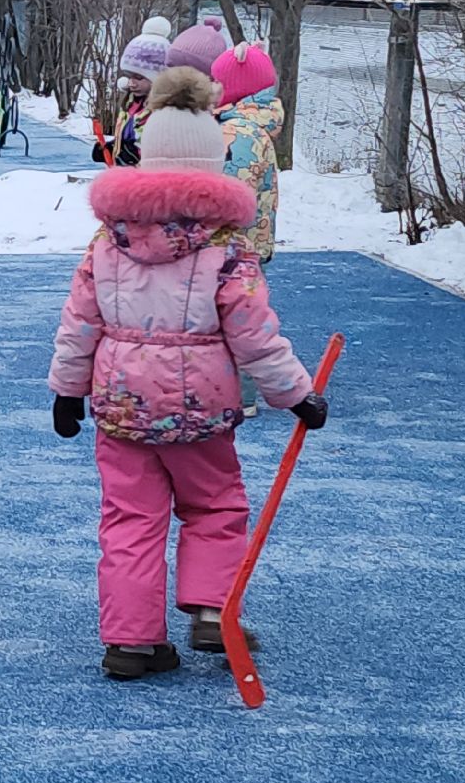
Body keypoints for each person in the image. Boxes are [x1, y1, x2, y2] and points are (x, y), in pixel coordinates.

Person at [46, 66, 327, 681]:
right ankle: (209, 609)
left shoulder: (105, 243)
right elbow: (254, 336)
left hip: (121, 407)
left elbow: (79, 324)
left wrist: (68, 390)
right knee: (215, 507)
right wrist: (296, 395)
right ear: (213, 165)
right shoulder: (226, 250)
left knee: (129, 519)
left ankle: (131, 641)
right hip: (198, 408)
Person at [211, 40, 285, 417]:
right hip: (249, 241)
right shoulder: (253, 127)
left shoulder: (236, 135)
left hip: (233, 244)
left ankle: (239, 395)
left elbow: (228, 194)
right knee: (243, 314)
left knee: (234, 319)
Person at [93, 16, 172, 167]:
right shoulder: (131, 103)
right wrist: (112, 148)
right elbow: (129, 134)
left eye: (139, 77)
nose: (131, 83)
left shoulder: (164, 110)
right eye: (129, 76)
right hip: (124, 178)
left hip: (147, 181)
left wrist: (135, 155)